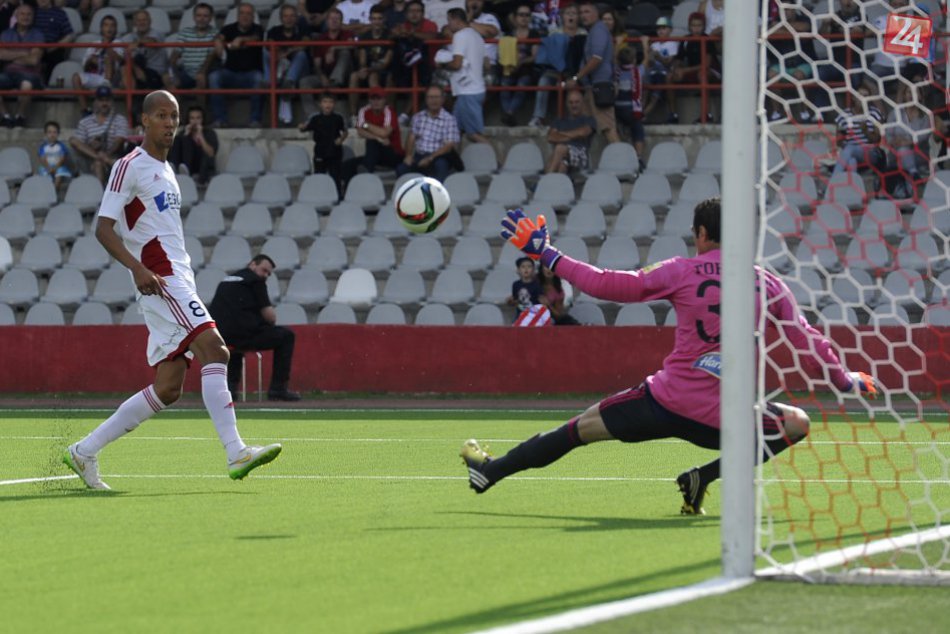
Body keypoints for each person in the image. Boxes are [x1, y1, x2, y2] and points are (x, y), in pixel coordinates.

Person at [459, 201, 879, 515]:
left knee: (577, 430)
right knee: (797, 424)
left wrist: (548, 255)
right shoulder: (768, 284)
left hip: (663, 403)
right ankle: (704, 477)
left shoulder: (681, 270)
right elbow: (805, 342)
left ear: (700, 233)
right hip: (725, 419)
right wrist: (845, 381)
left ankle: (490, 472)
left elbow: (610, 285)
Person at [62, 90, 282, 491]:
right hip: (162, 280)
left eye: (174, 117)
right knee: (217, 350)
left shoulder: (168, 171)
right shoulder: (129, 165)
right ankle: (236, 452)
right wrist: (139, 269)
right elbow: (103, 228)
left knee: (168, 388)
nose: (169, 123)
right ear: (143, 120)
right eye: (161, 115)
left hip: (177, 277)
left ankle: (84, 450)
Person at [209, 254, 301, 401]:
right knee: (286, 336)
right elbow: (270, 316)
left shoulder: (225, 281)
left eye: (268, 274)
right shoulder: (256, 281)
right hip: (245, 335)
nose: (265, 275)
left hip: (220, 336)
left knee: (233, 345)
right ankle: (278, 389)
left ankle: (230, 390)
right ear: (252, 264)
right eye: (264, 270)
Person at [564, 1, 618, 144]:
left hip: (601, 85)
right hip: (592, 86)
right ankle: (576, 160)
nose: (583, 16)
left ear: (596, 14)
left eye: (587, 12)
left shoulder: (599, 30)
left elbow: (596, 59)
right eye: (581, 13)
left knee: (608, 128)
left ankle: (624, 162)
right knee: (585, 126)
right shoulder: (594, 30)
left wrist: (576, 78)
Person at [529, 3, 585, 128]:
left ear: (578, 17)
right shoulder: (554, 33)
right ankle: (538, 116)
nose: (570, 16)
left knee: (578, 85)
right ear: (562, 17)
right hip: (555, 69)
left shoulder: (583, 33)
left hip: (576, 71)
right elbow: (549, 55)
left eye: (574, 13)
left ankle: (578, 118)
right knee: (544, 81)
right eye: (567, 13)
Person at [209, 3, 265, 127]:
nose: (245, 16)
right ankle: (220, 119)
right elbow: (220, 36)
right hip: (230, 73)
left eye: (248, 14)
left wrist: (241, 39)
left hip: (251, 74)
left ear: (253, 16)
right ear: (238, 16)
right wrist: (218, 40)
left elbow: (256, 38)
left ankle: (255, 120)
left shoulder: (258, 28)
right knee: (214, 77)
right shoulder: (229, 28)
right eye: (242, 13)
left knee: (259, 78)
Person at [440, 8, 488, 144]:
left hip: (468, 92)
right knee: (455, 132)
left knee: (474, 134)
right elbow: (487, 64)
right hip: (476, 89)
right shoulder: (477, 36)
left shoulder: (460, 36)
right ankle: (456, 163)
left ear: (456, 19)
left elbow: (456, 64)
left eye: (449, 20)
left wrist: (442, 64)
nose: (448, 24)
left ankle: (498, 161)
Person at [396, 84, 461, 183]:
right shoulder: (418, 117)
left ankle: (437, 195)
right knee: (401, 169)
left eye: (436, 97)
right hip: (419, 155)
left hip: (438, 156)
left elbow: (449, 146)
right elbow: (411, 138)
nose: (433, 100)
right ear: (426, 100)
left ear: (443, 99)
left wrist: (430, 158)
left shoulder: (450, 119)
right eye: (430, 97)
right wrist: (408, 155)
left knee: (441, 166)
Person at [341, 87, 404, 186]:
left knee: (372, 143)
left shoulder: (389, 111)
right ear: (369, 100)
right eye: (373, 99)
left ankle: (367, 171)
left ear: (384, 100)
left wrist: (367, 125)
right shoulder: (364, 110)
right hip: (374, 156)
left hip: (393, 154)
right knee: (347, 165)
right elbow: (360, 132)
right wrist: (377, 137)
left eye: (379, 99)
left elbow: (384, 133)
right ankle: (347, 194)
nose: (376, 102)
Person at [69, 85, 131, 185]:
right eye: (101, 100)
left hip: (112, 158)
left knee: (98, 164)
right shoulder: (85, 122)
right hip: (91, 157)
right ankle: (99, 158)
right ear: (96, 102)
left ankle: (101, 197)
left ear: (111, 102)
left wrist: (107, 154)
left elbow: (119, 141)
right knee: (73, 140)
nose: (104, 103)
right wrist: (93, 147)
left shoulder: (119, 119)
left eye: (107, 100)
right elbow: (77, 142)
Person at [299, 7, 354, 116]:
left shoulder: (347, 34)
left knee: (345, 52)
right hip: (326, 75)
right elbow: (317, 64)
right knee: (304, 82)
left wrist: (334, 48)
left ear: (341, 22)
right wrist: (322, 76)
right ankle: (313, 115)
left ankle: (334, 83)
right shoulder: (321, 39)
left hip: (346, 76)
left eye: (337, 19)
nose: (334, 21)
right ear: (327, 21)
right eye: (331, 18)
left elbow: (352, 45)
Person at [667, 12, 720, 124]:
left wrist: (684, 70)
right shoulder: (685, 40)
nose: (696, 28)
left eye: (699, 25)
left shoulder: (707, 40)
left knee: (702, 75)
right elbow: (679, 59)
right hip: (692, 72)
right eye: (693, 25)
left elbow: (706, 65)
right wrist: (676, 69)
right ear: (689, 26)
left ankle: (706, 115)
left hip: (711, 72)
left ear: (703, 26)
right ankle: (673, 114)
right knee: (669, 77)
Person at [265, 3, 311, 125]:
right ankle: (279, 84)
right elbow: (270, 45)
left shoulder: (302, 30)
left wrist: (287, 52)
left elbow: (305, 44)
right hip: (280, 67)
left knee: (301, 54)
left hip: (301, 71)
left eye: (292, 16)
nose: (289, 19)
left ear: (296, 18)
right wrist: (280, 52)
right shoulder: (274, 31)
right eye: (286, 16)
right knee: (266, 53)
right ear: (281, 18)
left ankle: (286, 82)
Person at [0, 3, 44, 128]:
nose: (26, 17)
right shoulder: (5, 34)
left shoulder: (38, 34)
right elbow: (1, 55)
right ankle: (5, 116)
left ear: (33, 17)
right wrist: (24, 53)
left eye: (29, 14)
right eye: (22, 14)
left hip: (30, 74)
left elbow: (34, 60)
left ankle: (20, 116)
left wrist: (11, 55)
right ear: (16, 16)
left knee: (26, 84)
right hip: (8, 73)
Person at [167, 3, 219, 104]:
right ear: (194, 17)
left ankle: (201, 115)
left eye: (205, 16)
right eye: (199, 15)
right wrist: (173, 76)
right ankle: (177, 118)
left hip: (206, 72)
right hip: (186, 73)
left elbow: (211, 57)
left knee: (201, 78)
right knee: (167, 78)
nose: (201, 19)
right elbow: (174, 57)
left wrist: (201, 73)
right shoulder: (185, 33)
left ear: (211, 18)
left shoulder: (216, 33)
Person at [348, 3, 392, 120]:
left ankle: (379, 115)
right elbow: (362, 59)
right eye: (374, 19)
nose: (376, 22)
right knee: (353, 76)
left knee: (373, 76)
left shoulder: (390, 36)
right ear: (370, 20)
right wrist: (363, 69)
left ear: (384, 19)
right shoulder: (365, 36)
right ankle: (353, 115)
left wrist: (369, 69)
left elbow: (386, 62)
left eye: (379, 19)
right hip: (368, 70)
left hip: (384, 72)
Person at [498, 3, 539, 127]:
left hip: (526, 67)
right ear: (515, 17)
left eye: (527, 15)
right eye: (521, 15)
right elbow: (501, 55)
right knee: (504, 87)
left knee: (522, 85)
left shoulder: (534, 34)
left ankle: (508, 114)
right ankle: (509, 115)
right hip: (509, 67)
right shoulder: (508, 35)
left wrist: (520, 62)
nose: (524, 17)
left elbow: (534, 56)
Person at [71, 13, 121, 115]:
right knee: (76, 77)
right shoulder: (95, 44)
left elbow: (120, 60)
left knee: (108, 58)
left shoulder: (119, 43)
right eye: (106, 25)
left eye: (112, 25)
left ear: (116, 28)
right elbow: (85, 66)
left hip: (112, 78)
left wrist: (107, 47)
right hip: (97, 77)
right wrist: (92, 59)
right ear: (101, 28)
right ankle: (85, 110)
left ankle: (106, 86)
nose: (109, 28)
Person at [299, 92, 347, 191]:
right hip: (320, 152)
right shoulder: (315, 118)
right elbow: (304, 128)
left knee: (336, 178)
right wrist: (301, 127)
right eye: (325, 102)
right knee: (319, 177)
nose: (328, 105)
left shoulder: (338, 118)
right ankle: (319, 195)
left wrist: (341, 139)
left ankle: (337, 197)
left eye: (330, 102)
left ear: (334, 104)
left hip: (335, 152)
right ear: (320, 104)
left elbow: (345, 132)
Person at [833, 86, 884, 176]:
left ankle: (832, 182)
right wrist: (841, 138)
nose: (863, 99)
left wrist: (865, 131)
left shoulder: (875, 114)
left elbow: (877, 140)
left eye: (866, 96)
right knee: (852, 161)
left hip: (870, 153)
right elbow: (838, 142)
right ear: (854, 97)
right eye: (860, 96)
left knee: (850, 148)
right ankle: (853, 188)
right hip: (850, 152)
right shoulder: (845, 115)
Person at [543, 88, 595, 174]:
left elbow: (583, 132)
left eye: (577, 102)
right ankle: (554, 185)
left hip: (581, 155)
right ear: (567, 104)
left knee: (560, 147)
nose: (574, 105)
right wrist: (573, 135)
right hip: (561, 157)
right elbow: (550, 137)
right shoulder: (559, 121)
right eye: (571, 102)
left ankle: (546, 180)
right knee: (561, 165)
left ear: (582, 103)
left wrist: (560, 134)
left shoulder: (589, 120)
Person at [614, 42, 648, 168]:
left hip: (616, 108)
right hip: (632, 109)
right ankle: (638, 156)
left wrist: (617, 45)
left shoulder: (616, 71)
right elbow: (646, 61)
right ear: (634, 60)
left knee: (619, 126)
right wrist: (645, 45)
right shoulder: (637, 71)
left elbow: (613, 59)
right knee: (637, 128)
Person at [121, 9, 170, 93]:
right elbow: (123, 56)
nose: (141, 23)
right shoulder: (128, 37)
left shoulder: (157, 33)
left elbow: (153, 41)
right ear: (134, 23)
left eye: (144, 20)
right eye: (139, 20)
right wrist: (135, 68)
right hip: (139, 72)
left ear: (150, 21)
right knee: (125, 69)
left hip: (157, 73)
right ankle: (131, 101)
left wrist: (138, 43)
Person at [168, 105, 218, 185]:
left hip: (202, 166)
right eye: (192, 118)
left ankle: (195, 177)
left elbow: (211, 153)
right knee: (177, 139)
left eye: (198, 118)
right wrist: (185, 136)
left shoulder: (210, 133)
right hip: (186, 164)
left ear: (202, 119)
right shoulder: (184, 133)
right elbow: (174, 150)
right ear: (188, 120)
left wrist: (201, 136)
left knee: (205, 154)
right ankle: (175, 168)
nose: (195, 121)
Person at [645, 16, 676, 120]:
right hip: (652, 73)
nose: (660, 31)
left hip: (663, 74)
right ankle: (638, 114)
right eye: (658, 28)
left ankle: (642, 115)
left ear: (670, 30)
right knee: (644, 91)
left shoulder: (673, 43)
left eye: (664, 28)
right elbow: (649, 63)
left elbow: (669, 62)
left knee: (654, 96)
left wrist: (658, 56)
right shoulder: (654, 44)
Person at [32, 0, 75, 73]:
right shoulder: (31, 13)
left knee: (56, 58)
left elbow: (70, 35)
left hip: (53, 48)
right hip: (33, 48)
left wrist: (55, 46)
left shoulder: (60, 13)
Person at [37, 120, 72, 189]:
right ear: (45, 134)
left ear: (58, 134)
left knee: (59, 173)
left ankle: (55, 189)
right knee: (45, 175)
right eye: (49, 132)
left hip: (58, 166)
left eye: (54, 132)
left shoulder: (61, 145)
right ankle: (48, 190)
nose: (52, 135)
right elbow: (42, 158)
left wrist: (56, 167)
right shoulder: (43, 146)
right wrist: (48, 167)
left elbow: (62, 158)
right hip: (47, 166)